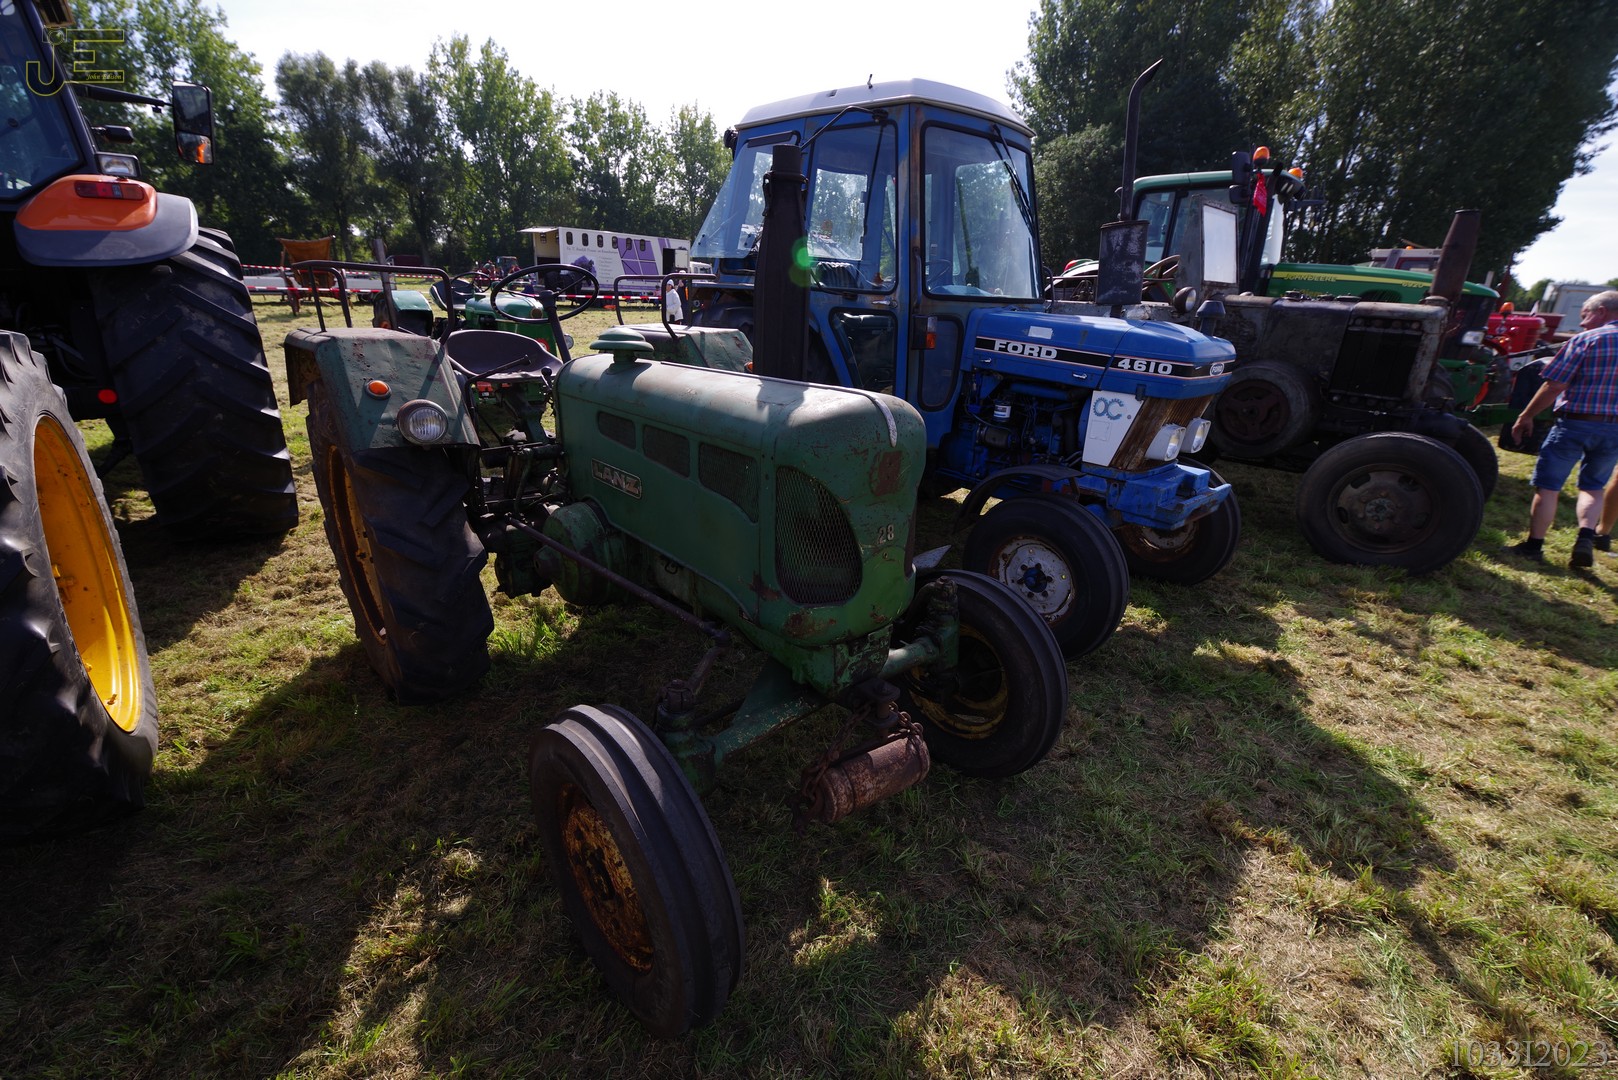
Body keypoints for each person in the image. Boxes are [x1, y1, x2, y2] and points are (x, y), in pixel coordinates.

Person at [1504, 290, 1618, 567]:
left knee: (1548, 486)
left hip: (1575, 423)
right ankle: (1585, 537)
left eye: (1585, 315)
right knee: (1593, 486)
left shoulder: (1587, 339)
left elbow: (1554, 384)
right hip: (1614, 430)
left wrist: (1526, 416)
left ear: (1601, 312)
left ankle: (1534, 546)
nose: (1581, 323)